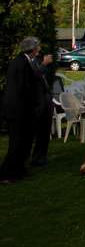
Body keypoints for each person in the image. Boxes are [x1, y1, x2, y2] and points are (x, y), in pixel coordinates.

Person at [1, 37, 44, 183]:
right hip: (17, 108)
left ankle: (19, 169)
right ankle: (7, 174)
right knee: (17, 142)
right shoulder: (21, 63)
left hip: (22, 107)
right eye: (37, 47)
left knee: (25, 141)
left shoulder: (24, 61)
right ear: (32, 49)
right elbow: (24, 86)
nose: (39, 50)